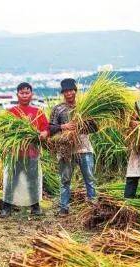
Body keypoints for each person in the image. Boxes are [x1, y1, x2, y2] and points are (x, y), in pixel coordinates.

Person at [49, 78, 98, 216]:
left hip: (84, 148)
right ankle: (64, 207)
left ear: (75, 91)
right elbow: (50, 128)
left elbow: (95, 127)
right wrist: (63, 126)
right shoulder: (58, 109)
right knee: (65, 180)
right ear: (63, 93)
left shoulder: (85, 107)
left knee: (89, 178)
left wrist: (80, 126)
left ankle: (93, 205)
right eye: (65, 91)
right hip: (66, 150)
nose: (68, 93)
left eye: (71, 90)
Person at [0, 82, 49, 218]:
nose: (24, 95)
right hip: (14, 154)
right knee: (11, 180)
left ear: (31, 95)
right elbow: (2, 130)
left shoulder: (38, 112)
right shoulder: (11, 112)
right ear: (17, 95)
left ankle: (35, 207)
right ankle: (6, 208)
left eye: (27, 93)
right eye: (22, 93)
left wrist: (44, 133)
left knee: (32, 180)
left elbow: (46, 128)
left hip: (32, 153)